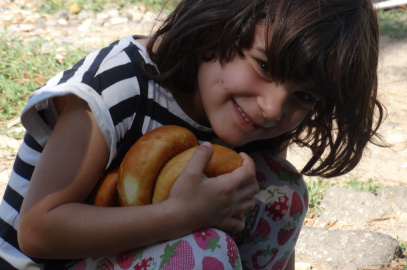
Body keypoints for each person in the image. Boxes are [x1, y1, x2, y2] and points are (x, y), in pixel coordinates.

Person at [0, 0, 385, 269]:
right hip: (46, 262)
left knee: (279, 193)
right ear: (217, 28)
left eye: (303, 95)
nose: (273, 107)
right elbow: (37, 230)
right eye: (264, 65)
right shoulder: (118, 87)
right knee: (200, 253)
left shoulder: (254, 114)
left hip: (136, 248)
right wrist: (178, 216)